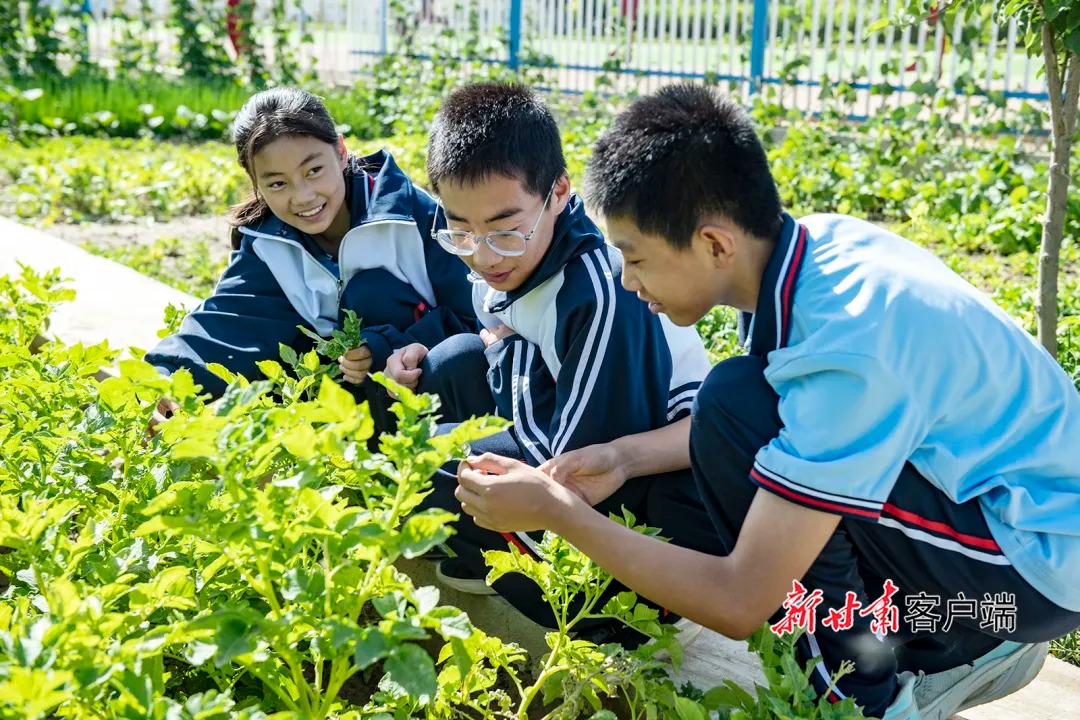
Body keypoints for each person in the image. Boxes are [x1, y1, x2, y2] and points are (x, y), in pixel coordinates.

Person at [450, 83, 1080, 719]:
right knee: (733, 411)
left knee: (742, 431)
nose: (627, 280)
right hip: (990, 517)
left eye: (636, 257)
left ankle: (869, 697)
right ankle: (940, 639)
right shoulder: (813, 251)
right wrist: (623, 457)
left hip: (1036, 565)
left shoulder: (847, 351)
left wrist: (559, 512)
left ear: (715, 244)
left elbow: (742, 600)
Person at [384, 82, 715, 645]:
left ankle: (597, 616)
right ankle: (489, 551)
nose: (483, 254)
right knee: (448, 366)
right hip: (581, 421)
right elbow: (496, 323)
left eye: (504, 230)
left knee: (435, 460)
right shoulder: (519, 249)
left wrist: (459, 448)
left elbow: (583, 467)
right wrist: (423, 346)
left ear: (558, 191)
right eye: (461, 230)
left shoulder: (598, 295)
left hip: (643, 494)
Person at [144, 87, 477, 431]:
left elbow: (478, 318)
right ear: (256, 183)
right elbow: (224, 325)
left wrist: (387, 346)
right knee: (285, 348)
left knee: (373, 295)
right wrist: (162, 379)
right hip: (338, 422)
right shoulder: (268, 245)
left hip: (429, 407)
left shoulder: (414, 217)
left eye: (314, 170)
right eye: (277, 184)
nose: (303, 196)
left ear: (341, 152)